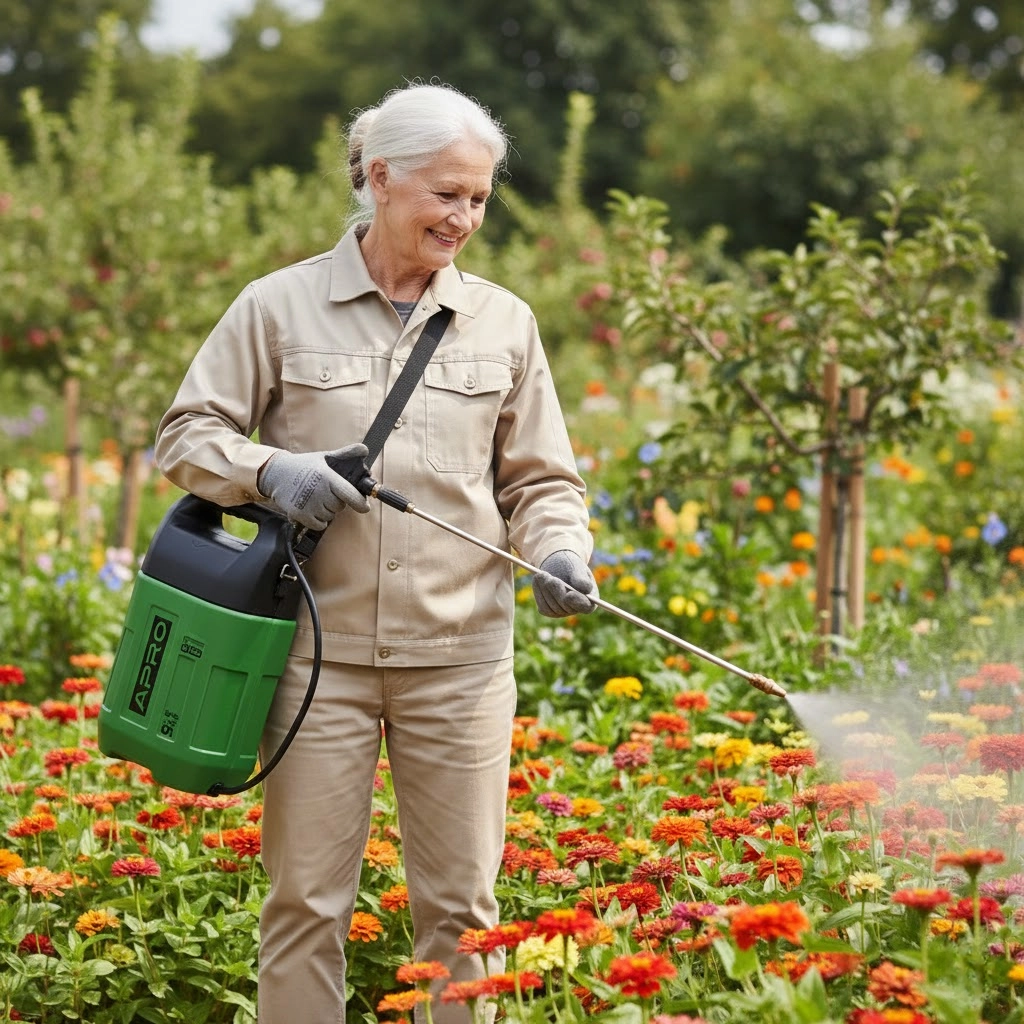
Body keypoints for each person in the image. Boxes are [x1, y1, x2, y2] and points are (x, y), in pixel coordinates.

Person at [153, 82, 598, 1023]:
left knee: (463, 915)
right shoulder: (276, 307)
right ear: (380, 178)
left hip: (463, 663)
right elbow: (186, 436)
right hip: (318, 662)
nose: (464, 218)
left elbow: (541, 482)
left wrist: (561, 550)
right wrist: (275, 471)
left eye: (479, 198)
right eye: (446, 194)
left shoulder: (504, 323)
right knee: (307, 907)